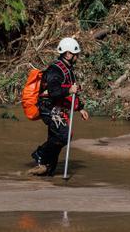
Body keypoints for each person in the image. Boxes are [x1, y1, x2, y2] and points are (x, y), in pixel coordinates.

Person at [28, 37, 89, 176]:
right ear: (68, 54)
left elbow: (72, 91)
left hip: (57, 108)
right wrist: (69, 91)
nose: (77, 57)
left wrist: (80, 108)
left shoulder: (68, 69)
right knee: (64, 136)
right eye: (75, 54)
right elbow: (55, 92)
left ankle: (46, 167)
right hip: (48, 108)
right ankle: (40, 154)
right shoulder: (55, 70)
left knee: (55, 142)